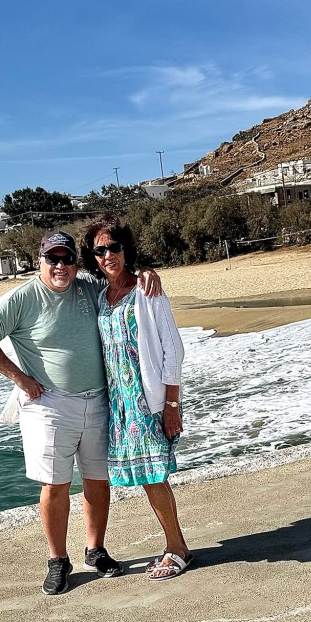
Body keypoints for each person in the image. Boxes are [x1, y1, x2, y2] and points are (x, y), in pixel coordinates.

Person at [0, 230, 160, 596]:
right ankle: (58, 560)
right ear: (39, 261)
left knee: (97, 479)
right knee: (55, 484)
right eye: (52, 259)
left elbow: (120, 279)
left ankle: (95, 549)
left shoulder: (88, 287)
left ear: (76, 262)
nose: (60, 266)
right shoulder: (22, 297)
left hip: (99, 400)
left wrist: (147, 272)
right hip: (49, 405)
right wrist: (19, 378)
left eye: (67, 258)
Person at [80, 215, 192, 582]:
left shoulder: (146, 290)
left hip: (147, 402)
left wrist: (171, 406)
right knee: (147, 475)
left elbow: (173, 350)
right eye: (100, 251)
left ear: (126, 250)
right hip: (119, 406)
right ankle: (175, 545)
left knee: (153, 476)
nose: (108, 255)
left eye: (114, 247)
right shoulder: (101, 297)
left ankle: (177, 549)